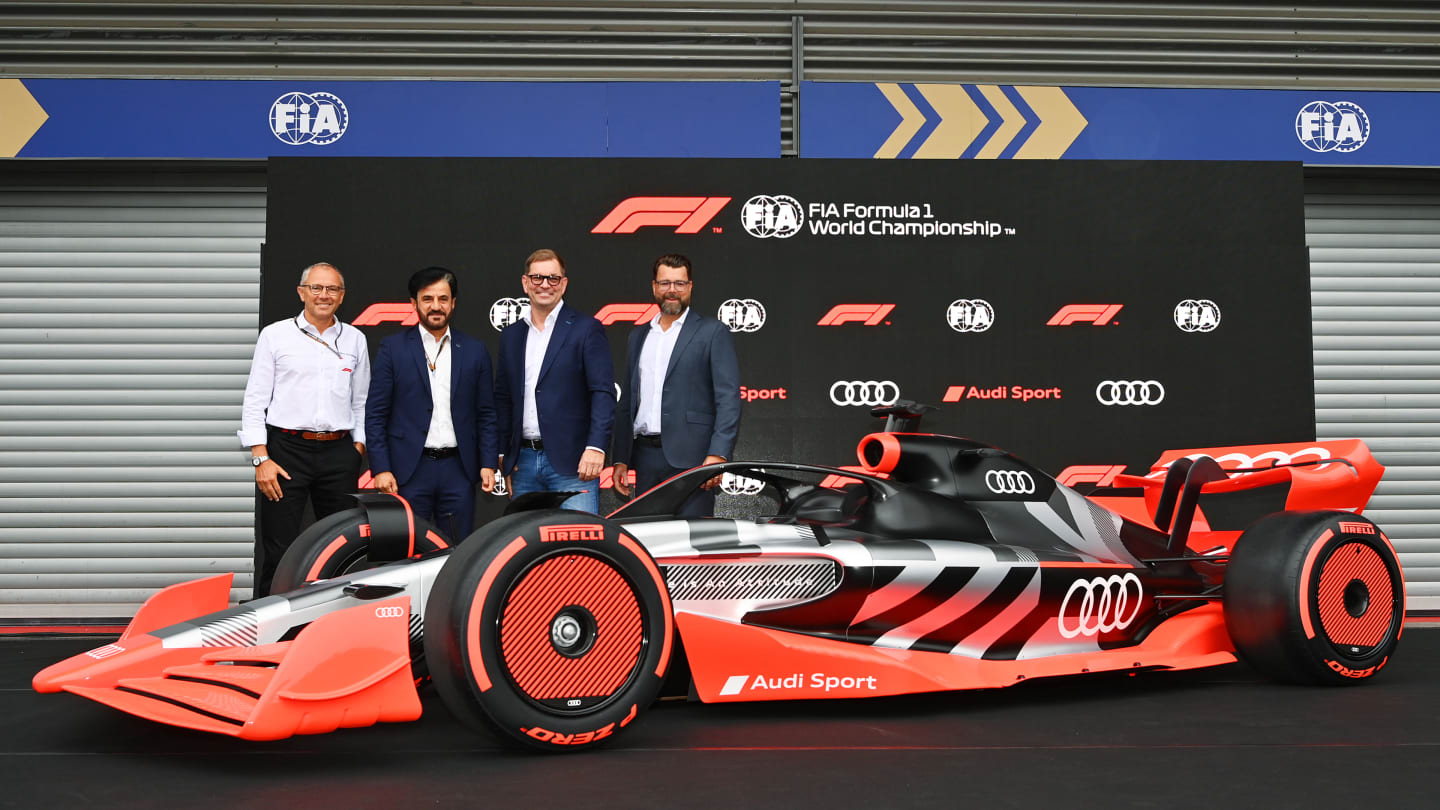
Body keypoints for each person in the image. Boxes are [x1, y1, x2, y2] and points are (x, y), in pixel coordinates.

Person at [240, 261, 370, 597]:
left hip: (339, 454)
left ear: (342, 296)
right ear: (302, 292)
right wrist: (260, 458)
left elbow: (361, 402)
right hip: (285, 452)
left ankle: (331, 625)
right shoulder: (275, 335)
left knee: (342, 546)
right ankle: (270, 627)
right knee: (279, 547)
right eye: (316, 287)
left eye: (332, 289)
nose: (324, 295)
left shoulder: (355, 339)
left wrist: (357, 448)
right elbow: (255, 400)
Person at [364, 266, 499, 541]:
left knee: (457, 550)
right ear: (414, 303)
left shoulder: (474, 350)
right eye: (427, 299)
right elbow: (376, 413)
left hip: (458, 470)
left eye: (443, 299)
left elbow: (486, 413)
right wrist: (380, 468)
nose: (435, 306)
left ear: (453, 303)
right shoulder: (393, 348)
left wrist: (488, 463)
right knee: (409, 550)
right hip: (409, 471)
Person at [613, 253, 740, 516]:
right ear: (654, 287)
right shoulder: (638, 336)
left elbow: (728, 399)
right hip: (644, 458)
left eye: (680, 283)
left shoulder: (711, 332)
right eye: (665, 283)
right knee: (649, 543)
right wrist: (621, 458)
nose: (672, 290)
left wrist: (718, 454)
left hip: (694, 460)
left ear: (690, 286)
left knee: (694, 544)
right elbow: (628, 401)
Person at [494, 249, 615, 514]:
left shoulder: (586, 328)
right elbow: (503, 398)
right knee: (528, 549)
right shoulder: (512, 336)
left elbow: (602, 393)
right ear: (525, 283)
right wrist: (504, 455)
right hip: (522, 463)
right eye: (538, 278)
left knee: (578, 546)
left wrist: (595, 447)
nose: (545, 285)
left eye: (553, 278)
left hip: (573, 463)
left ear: (564, 283)